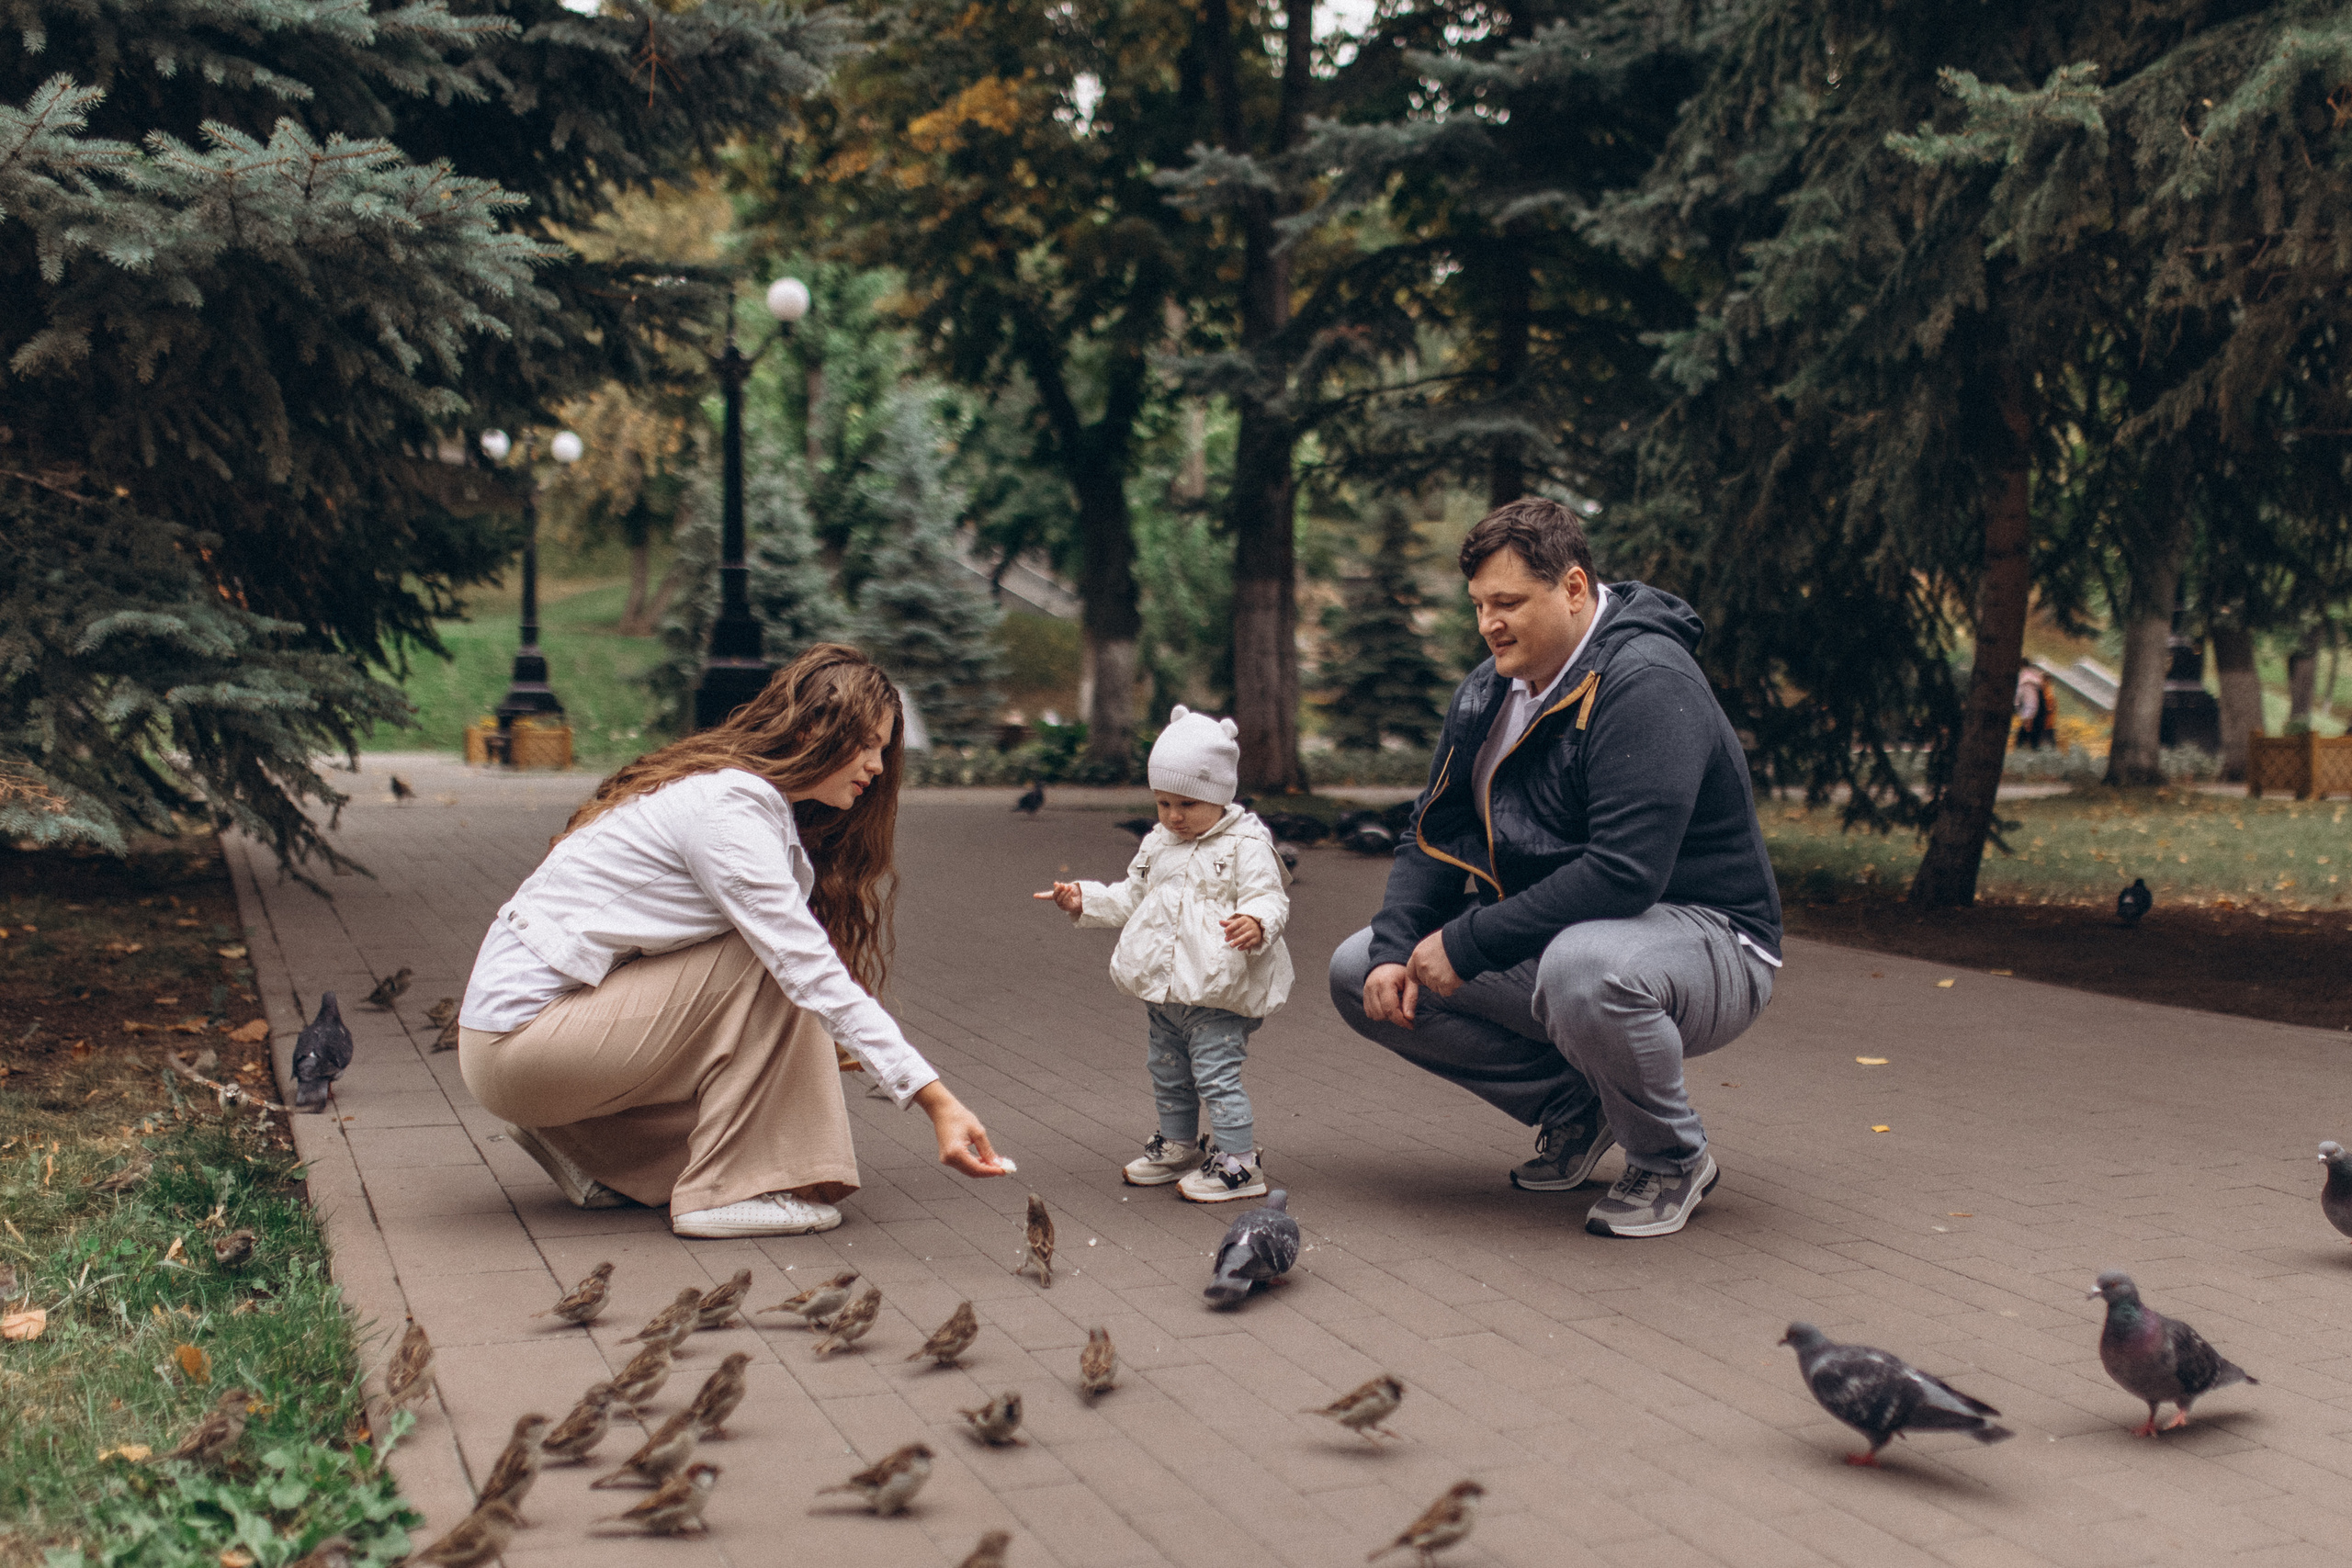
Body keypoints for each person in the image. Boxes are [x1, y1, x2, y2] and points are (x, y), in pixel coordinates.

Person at [1328, 498, 1782, 1239]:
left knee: (1582, 969)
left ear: (1574, 589)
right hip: (1575, 932)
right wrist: (1395, 947)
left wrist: (1468, 943)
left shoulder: (1647, 679)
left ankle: (1671, 1157)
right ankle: (1580, 1104)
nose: (1487, 623)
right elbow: (1433, 833)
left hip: (1714, 939)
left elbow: (1624, 872)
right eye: (1478, 604)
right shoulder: (1487, 691)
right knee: (1359, 971)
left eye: (1507, 602)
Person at [456, 644, 1007, 1239]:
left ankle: (591, 1147)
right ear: (815, 727)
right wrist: (935, 1100)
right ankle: (718, 1195)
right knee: (768, 959)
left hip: (519, 1043)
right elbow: (808, 968)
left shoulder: (737, 799)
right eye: (867, 742)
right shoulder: (730, 815)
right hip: (519, 1045)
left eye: (883, 748)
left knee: (773, 960)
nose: (876, 766)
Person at [1034, 706, 1293, 1202]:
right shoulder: (1160, 842)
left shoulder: (1246, 844)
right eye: (1163, 802)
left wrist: (1257, 921)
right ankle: (1178, 1143)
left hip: (1219, 988)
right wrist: (1084, 898)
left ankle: (1240, 1164)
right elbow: (1134, 896)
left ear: (1220, 795)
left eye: (1188, 803)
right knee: (1168, 1069)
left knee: (1216, 1074)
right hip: (1166, 988)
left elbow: (1270, 895)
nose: (1174, 815)